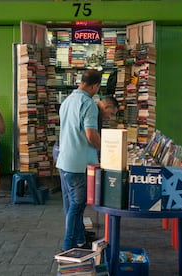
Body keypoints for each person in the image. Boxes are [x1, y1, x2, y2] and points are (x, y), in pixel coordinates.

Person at [56, 69, 102, 251]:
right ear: (95, 86)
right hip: (78, 163)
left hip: (64, 160)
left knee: (71, 204)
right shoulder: (89, 104)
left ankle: (81, 239)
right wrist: (105, 148)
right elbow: (91, 135)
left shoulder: (67, 101)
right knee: (78, 205)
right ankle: (69, 245)